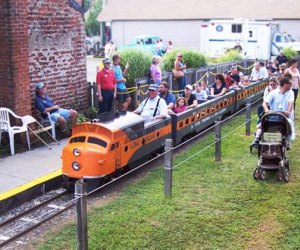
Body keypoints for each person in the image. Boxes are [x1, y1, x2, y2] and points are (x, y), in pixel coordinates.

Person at [263, 77, 295, 141]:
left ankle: (287, 141)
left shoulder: (291, 92)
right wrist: (266, 110)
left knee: (289, 128)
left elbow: (290, 102)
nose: (291, 85)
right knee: (261, 125)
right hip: (273, 116)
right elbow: (265, 103)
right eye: (290, 83)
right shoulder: (273, 93)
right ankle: (258, 138)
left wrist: (288, 111)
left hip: (285, 117)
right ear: (285, 84)